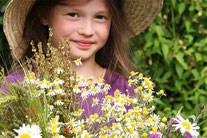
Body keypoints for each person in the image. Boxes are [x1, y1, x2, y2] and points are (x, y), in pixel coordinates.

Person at [1, 0, 163, 116]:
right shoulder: (17, 88)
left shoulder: (125, 91)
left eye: (100, 17)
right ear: (45, 14)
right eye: (73, 14)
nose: (87, 30)